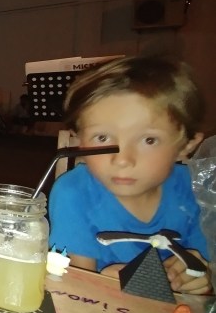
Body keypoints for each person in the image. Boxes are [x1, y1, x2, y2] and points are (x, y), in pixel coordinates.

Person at [48, 55, 210, 294]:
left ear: (187, 144)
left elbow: (206, 272)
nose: (123, 160)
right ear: (79, 140)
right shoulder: (74, 193)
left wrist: (202, 279)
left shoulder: (197, 191)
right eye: (102, 137)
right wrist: (101, 284)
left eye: (149, 140)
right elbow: (75, 288)